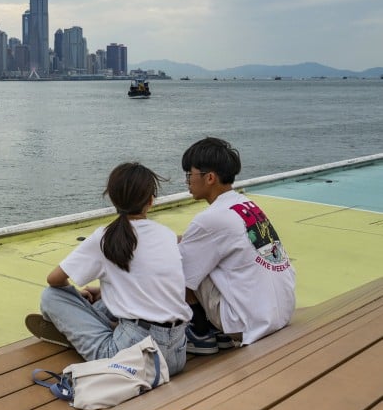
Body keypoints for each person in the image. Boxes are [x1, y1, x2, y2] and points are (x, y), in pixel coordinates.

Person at [25, 162, 190, 375]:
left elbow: (54, 279)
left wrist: (75, 294)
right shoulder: (166, 234)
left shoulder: (104, 238)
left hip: (133, 358)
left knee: (51, 297)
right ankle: (95, 320)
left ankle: (79, 329)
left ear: (112, 198)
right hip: (177, 354)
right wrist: (104, 290)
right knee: (104, 300)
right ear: (151, 200)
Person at [178, 137, 296, 353]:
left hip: (247, 323)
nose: (187, 180)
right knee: (194, 248)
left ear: (210, 177)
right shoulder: (246, 205)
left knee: (175, 260)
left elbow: (180, 269)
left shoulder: (209, 219)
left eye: (190, 174)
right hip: (280, 312)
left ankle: (200, 330)